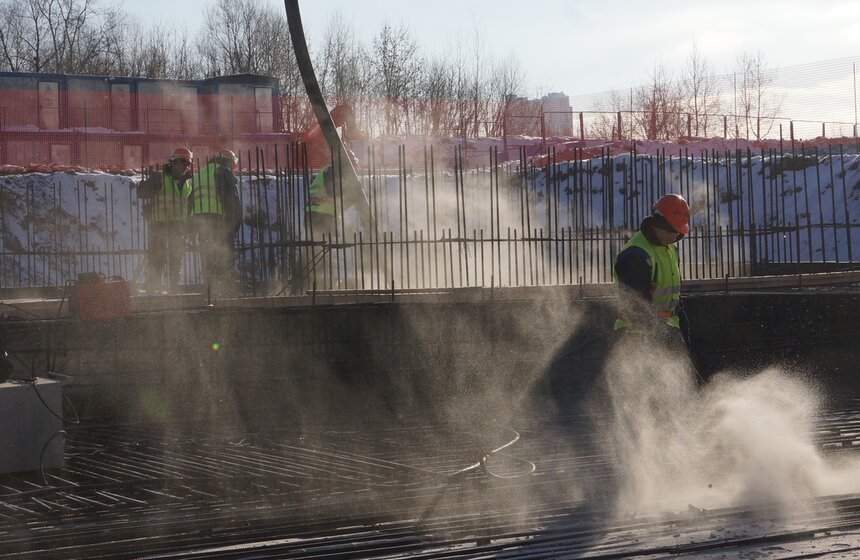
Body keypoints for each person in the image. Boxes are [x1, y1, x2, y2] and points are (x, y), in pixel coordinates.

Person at [613, 193, 690, 339]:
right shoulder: (636, 255)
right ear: (661, 225)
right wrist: (659, 332)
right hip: (636, 335)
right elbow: (636, 305)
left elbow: (672, 296)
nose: (678, 235)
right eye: (675, 229)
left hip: (668, 328)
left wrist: (680, 318)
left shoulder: (671, 250)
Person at [136, 147, 193, 294]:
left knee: (175, 259)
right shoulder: (159, 178)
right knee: (157, 258)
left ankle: (173, 290)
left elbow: (187, 207)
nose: (186, 167)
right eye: (184, 163)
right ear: (174, 162)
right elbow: (142, 193)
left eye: (188, 164)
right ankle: (152, 290)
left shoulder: (187, 183)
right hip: (159, 225)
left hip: (177, 227)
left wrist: (188, 226)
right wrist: (147, 186)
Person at [190, 149, 241, 298]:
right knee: (225, 260)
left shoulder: (199, 175)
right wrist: (234, 224)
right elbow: (231, 201)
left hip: (202, 223)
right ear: (228, 161)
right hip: (219, 222)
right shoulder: (223, 172)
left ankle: (210, 295)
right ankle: (228, 296)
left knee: (208, 260)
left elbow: (190, 201)